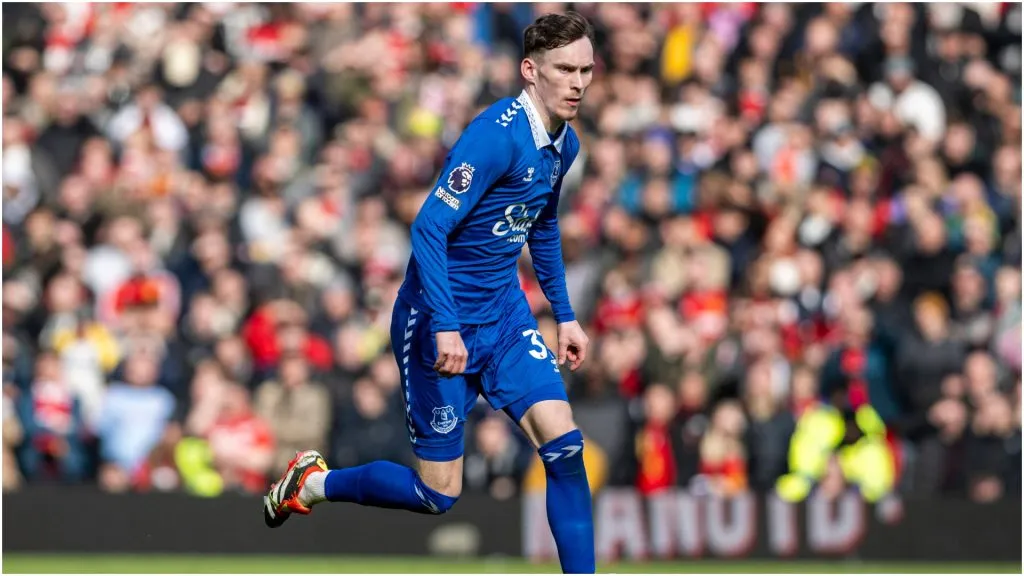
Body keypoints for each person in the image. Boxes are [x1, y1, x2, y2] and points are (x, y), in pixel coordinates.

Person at [262, 12, 597, 574]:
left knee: (564, 448)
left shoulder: (565, 145)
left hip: (505, 315)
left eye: (587, 70)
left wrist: (564, 315)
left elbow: (541, 225)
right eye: (565, 69)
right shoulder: (495, 137)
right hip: (435, 319)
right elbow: (428, 227)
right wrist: (445, 323)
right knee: (438, 493)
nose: (578, 83)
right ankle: (313, 483)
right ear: (530, 70)